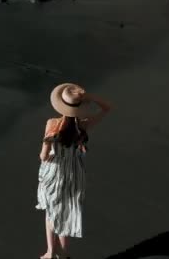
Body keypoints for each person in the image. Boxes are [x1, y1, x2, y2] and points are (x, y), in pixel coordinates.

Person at [36, 83, 112, 259]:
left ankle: (51, 251)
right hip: (75, 174)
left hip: (54, 173)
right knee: (67, 209)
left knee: (51, 210)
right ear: (79, 107)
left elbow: (44, 157)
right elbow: (107, 107)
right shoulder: (83, 126)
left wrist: (46, 144)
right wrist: (89, 97)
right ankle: (63, 252)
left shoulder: (52, 124)